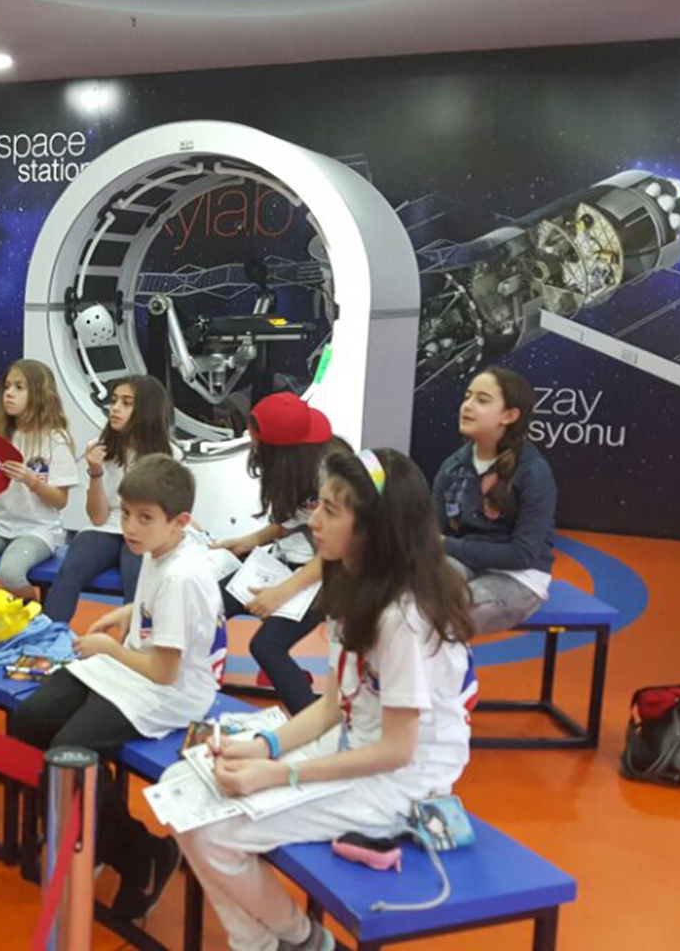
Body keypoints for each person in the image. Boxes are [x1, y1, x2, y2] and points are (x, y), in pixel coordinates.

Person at [166, 448, 476, 951]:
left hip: (401, 782)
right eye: (318, 504)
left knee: (210, 832)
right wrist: (262, 747)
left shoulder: (404, 617)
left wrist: (277, 774)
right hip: (353, 745)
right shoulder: (351, 581)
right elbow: (334, 704)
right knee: (181, 790)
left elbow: (397, 751)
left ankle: (288, 941)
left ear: (373, 529)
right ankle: (284, 941)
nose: (313, 521)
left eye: (330, 510)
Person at [11, 454, 226, 920]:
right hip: (133, 667)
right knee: (27, 720)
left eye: (144, 518)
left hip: (167, 690)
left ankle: (142, 853)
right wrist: (127, 612)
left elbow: (165, 672)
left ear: (179, 521)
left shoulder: (182, 576)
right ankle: (89, 829)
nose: (128, 526)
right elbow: (156, 606)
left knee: (67, 755)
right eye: (126, 513)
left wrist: (107, 649)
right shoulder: (161, 546)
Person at [211, 393, 350, 713]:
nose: (250, 440)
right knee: (207, 604)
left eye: (255, 436)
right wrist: (246, 542)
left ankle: (311, 726)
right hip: (289, 563)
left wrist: (280, 593)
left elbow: (338, 551)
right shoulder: (295, 465)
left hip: (330, 574)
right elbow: (291, 520)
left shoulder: (335, 474)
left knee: (266, 646)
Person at [431, 366, 556, 635]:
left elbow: (521, 555)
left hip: (518, 577)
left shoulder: (533, 471)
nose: (467, 406)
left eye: (482, 400)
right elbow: (433, 534)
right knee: (406, 596)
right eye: (467, 396)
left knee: (442, 616)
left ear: (509, 416)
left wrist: (446, 545)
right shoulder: (452, 467)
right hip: (464, 562)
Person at [43, 375, 173, 624]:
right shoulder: (99, 448)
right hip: (107, 526)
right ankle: (48, 637)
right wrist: (95, 471)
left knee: (137, 577)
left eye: (126, 403)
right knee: (71, 568)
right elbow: (98, 517)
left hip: (145, 530)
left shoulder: (168, 455)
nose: (115, 408)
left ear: (146, 410)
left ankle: (131, 642)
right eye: (114, 401)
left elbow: (161, 514)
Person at [0, 359, 77, 599]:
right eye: (7, 386)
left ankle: (34, 615)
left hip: (39, 532)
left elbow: (60, 501)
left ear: (39, 394)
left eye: (19, 387)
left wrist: (32, 481)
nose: (8, 393)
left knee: (10, 573)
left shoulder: (55, 439)